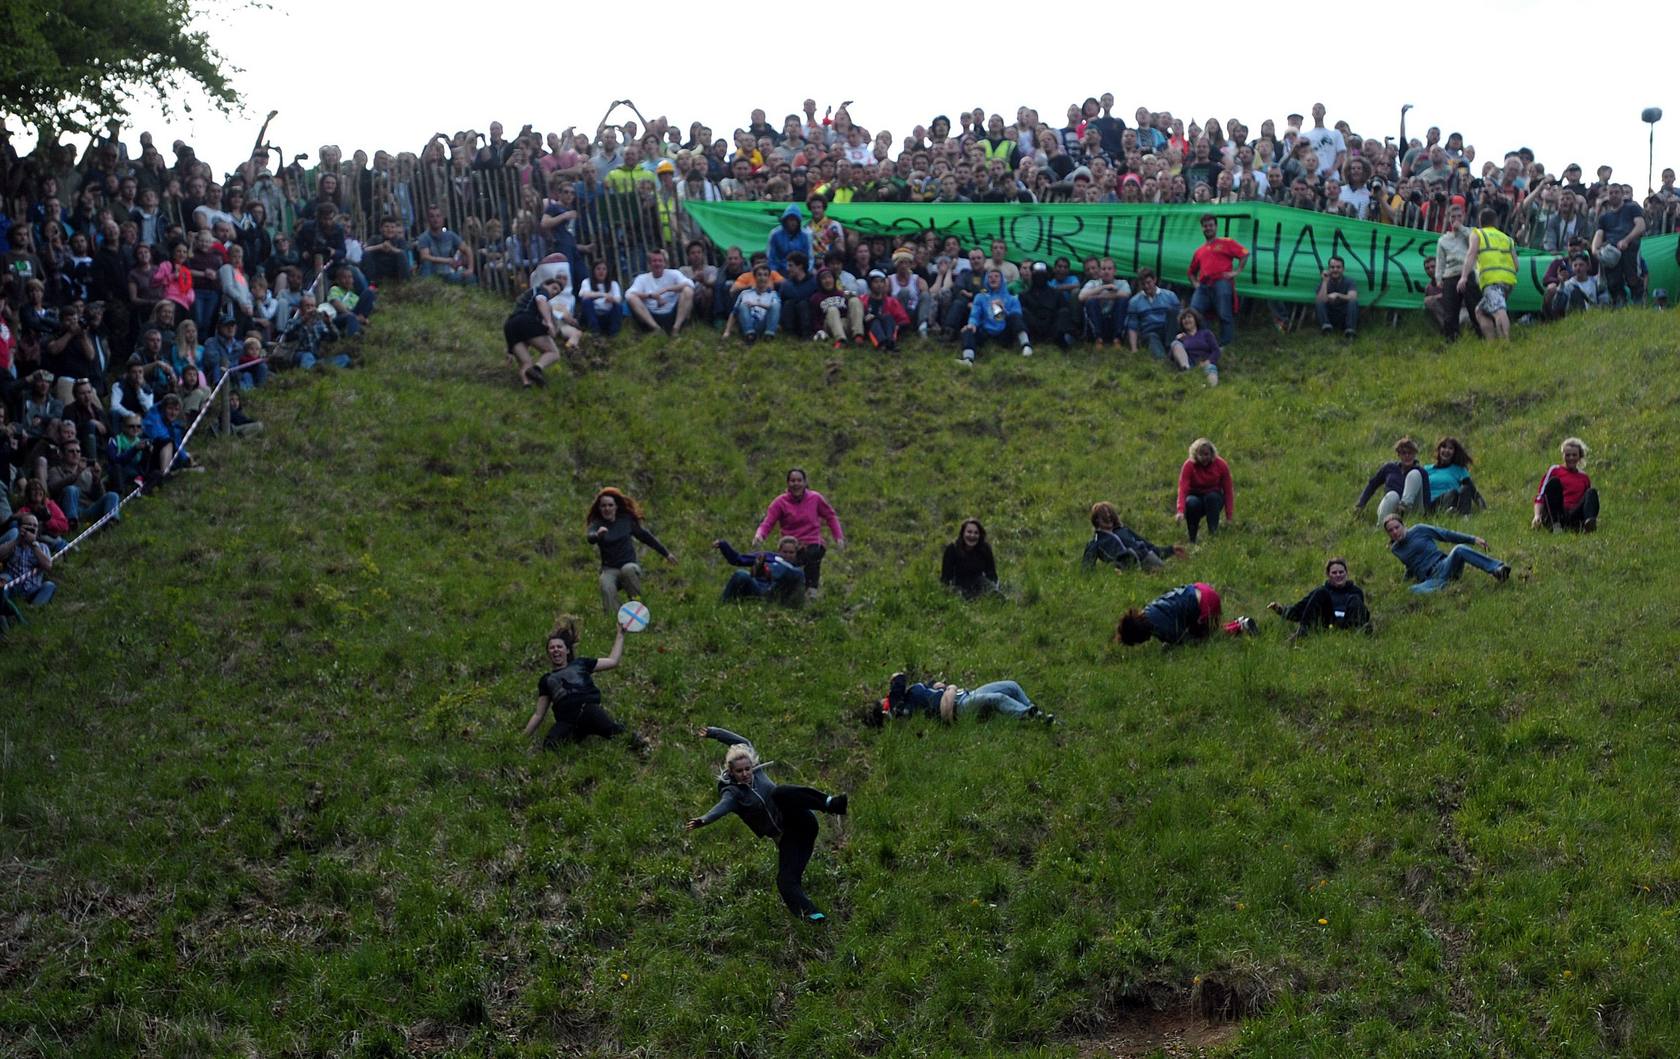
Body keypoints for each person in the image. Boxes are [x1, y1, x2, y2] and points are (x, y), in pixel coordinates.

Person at [684, 726, 849, 923]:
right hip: (786, 837)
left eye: (747, 769)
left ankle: (831, 803)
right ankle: (812, 915)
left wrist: (712, 732)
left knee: (780, 793)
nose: (745, 774)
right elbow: (721, 807)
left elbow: (740, 740)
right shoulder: (733, 794)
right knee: (785, 881)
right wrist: (704, 819)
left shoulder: (758, 772)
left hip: (800, 820)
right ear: (731, 771)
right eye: (739, 771)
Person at [522, 615, 648, 752]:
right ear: (548, 653)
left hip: (588, 710)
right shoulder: (546, 679)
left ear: (567, 650)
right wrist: (522, 739)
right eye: (552, 648)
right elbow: (539, 715)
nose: (556, 650)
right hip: (566, 721)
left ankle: (638, 743)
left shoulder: (580, 664)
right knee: (550, 744)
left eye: (559, 646)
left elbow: (613, 661)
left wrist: (620, 635)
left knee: (614, 732)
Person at [752, 468, 844, 597]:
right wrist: (760, 535)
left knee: (813, 553)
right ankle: (771, 588)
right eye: (792, 481)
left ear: (805, 482)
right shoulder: (780, 502)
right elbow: (768, 522)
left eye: (799, 480)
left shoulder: (815, 498)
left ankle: (811, 590)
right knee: (782, 567)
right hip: (790, 545)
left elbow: (830, 516)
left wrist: (838, 536)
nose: (796, 484)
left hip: (812, 542)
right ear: (788, 483)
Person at [586, 487, 675, 616]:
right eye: (603, 506)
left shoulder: (626, 521)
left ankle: (638, 609)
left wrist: (666, 553)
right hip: (609, 569)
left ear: (616, 507)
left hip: (628, 565)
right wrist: (597, 535)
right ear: (599, 508)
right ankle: (616, 619)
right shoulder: (597, 524)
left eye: (610, 505)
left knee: (628, 570)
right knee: (605, 583)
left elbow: (646, 537)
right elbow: (590, 537)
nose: (607, 509)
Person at [866, 672, 1054, 726]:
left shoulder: (911, 699)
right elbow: (898, 677)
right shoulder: (900, 707)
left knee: (1011, 685)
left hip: (965, 694)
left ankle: (1036, 712)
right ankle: (1029, 716)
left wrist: (944, 688)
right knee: (997, 698)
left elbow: (936, 690)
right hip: (959, 706)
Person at [1383, 514, 1511, 593]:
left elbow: (1445, 534)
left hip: (1444, 565)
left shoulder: (1419, 529)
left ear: (1403, 525)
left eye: (1397, 527)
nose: (1394, 532)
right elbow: (1410, 566)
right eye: (1390, 530)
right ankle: (1445, 586)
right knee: (1411, 591)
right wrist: (1403, 583)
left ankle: (1497, 569)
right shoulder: (1396, 550)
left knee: (1459, 549)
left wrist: (1473, 539)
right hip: (1430, 579)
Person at [1114, 582, 1255, 646]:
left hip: (1205, 603)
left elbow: (1183, 639)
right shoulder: (1148, 611)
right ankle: (1237, 622)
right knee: (1201, 629)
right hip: (1198, 588)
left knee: (1205, 639)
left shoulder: (1159, 626)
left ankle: (1241, 626)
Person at [1266, 557, 1372, 638]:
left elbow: (1360, 613)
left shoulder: (1356, 591)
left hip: (1347, 624)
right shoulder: (1322, 591)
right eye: (1334, 573)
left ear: (1346, 573)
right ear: (1328, 575)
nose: (1338, 575)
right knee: (1321, 593)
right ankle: (1302, 633)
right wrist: (1280, 610)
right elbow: (1300, 610)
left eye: (1341, 572)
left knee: (1355, 599)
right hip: (1328, 623)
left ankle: (1358, 633)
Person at [1187, 214, 1247, 345]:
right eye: (1205, 226)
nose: (1208, 228)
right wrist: (1195, 284)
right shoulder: (1199, 251)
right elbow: (1191, 272)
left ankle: (1225, 344)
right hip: (1203, 286)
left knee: (1224, 313)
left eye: (1211, 225)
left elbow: (1244, 253)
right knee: (1194, 313)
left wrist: (1236, 271)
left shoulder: (1227, 242)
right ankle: (1202, 341)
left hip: (1221, 282)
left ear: (1216, 227)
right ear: (1202, 228)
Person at [502, 274, 571, 388]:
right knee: (553, 353)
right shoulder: (540, 291)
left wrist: (510, 350)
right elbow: (541, 300)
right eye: (554, 288)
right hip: (525, 321)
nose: (554, 293)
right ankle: (537, 369)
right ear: (545, 284)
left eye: (557, 292)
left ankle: (527, 386)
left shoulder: (528, 301)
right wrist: (548, 322)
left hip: (510, 325)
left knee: (526, 362)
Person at [1461, 208, 1515, 339]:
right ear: (1496, 221)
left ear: (1480, 221)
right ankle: (1491, 344)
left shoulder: (1478, 234)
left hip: (1491, 280)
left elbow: (1471, 254)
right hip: (1509, 281)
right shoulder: (1507, 238)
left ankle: (1505, 343)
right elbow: (1517, 265)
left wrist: (1464, 277)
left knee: (1498, 310)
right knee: (1481, 311)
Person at [959, 268, 1031, 365]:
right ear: (986, 280)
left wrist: (1003, 310)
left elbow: (1017, 315)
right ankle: (968, 359)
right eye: (990, 277)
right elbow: (975, 315)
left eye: (996, 276)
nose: (993, 279)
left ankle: (1026, 346)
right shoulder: (980, 297)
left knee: (1015, 316)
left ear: (1002, 279)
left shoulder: (1012, 298)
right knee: (968, 329)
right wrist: (972, 324)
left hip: (1005, 332)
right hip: (986, 331)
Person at [1084, 501, 1181, 572]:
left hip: (1147, 558)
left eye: (1110, 514)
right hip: (1126, 569)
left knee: (1169, 573)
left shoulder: (1123, 530)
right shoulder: (1097, 542)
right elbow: (1087, 568)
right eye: (1105, 516)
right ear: (1096, 520)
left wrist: (1171, 550)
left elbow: (1149, 547)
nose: (1109, 517)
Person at [1531, 436, 1599, 532]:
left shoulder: (1584, 477)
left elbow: (1587, 502)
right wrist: (1537, 515)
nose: (1571, 458)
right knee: (1554, 482)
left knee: (1591, 492)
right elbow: (1541, 495)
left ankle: (1588, 525)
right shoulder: (1555, 470)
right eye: (1568, 455)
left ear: (1579, 456)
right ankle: (1556, 525)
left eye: (1574, 455)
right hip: (1557, 513)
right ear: (1563, 456)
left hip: (1574, 515)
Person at [1355, 436, 1430, 523]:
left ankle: (1404, 507)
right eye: (1404, 453)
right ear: (1398, 454)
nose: (1407, 456)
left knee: (1414, 473)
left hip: (1413, 510)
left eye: (1410, 453)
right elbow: (1372, 485)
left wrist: (1427, 518)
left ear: (1415, 454)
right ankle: (1381, 526)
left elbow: (1426, 497)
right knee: (1392, 495)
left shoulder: (1422, 472)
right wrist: (1360, 504)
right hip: (1393, 508)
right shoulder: (1389, 468)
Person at [714, 536, 806, 604]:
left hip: (771, 595)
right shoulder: (768, 556)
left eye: (791, 552)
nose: (788, 555)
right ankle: (723, 603)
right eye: (785, 552)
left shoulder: (796, 570)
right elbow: (738, 559)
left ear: (796, 554)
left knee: (788, 572)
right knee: (741, 574)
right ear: (778, 551)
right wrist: (723, 545)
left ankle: (767, 573)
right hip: (756, 588)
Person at [1175, 438, 1234, 543]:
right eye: (1200, 455)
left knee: (1212, 498)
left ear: (1212, 454)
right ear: (1195, 454)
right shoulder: (1189, 466)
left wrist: (1229, 516)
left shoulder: (1221, 465)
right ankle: (1192, 539)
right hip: (1195, 496)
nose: (1204, 458)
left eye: (1206, 454)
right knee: (1192, 503)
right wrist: (1180, 511)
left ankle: (1213, 534)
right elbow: (1183, 489)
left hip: (1214, 497)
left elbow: (1228, 491)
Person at [626, 249, 694, 337]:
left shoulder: (674, 274)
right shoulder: (642, 278)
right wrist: (650, 295)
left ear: (664, 263)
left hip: (673, 313)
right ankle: (656, 329)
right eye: (654, 261)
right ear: (649, 264)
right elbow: (628, 294)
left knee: (688, 290)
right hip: (651, 315)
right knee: (632, 298)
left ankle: (676, 328)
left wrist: (668, 288)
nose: (657, 264)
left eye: (660, 261)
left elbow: (690, 284)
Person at [0, 513, 55, 611]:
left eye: (35, 526)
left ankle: (32, 609)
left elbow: (48, 566)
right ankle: (5, 607)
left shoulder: (42, 547)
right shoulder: (13, 545)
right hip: (13, 587)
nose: (32, 528)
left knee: (49, 586)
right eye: (29, 525)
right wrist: (17, 540)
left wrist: (33, 545)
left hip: (33, 590)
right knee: (4, 578)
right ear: (20, 527)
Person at [1126, 268, 1181, 359]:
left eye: (1148, 282)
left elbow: (1179, 317)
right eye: (1143, 284)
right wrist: (1134, 348)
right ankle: (1163, 360)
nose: (1146, 286)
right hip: (1149, 331)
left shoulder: (1170, 296)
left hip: (1167, 330)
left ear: (1154, 280)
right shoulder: (1134, 301)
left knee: (1173, 312)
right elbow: (1133, 327)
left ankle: (1170, 348)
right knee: (1152, 337)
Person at [1423, 436, 1484, 516]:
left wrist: (1483, 508)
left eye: (1450, 448)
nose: (1446, 451)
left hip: (1454, 501)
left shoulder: (1459, 470)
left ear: (1454, 452)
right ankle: (1445, 513)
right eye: (1444, 447)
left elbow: (1473, 491)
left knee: (1464, 489)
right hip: (1433, 504)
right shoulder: (1426, 469)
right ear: (1439, 449)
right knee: (1452, 493)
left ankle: (1464, 516)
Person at [1078, 257, 1130, 347]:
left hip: (1115, 320)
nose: (1106, 271)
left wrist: (1101, 296)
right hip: (1098, 321)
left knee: (1123, 301)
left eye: (1109, 269)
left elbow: (1126, 295)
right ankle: (1098, 339)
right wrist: (1104, 287)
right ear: (1099, 271)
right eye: (1103, 269)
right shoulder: (1093, 283)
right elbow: (1081, 297)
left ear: (1115, 271)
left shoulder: (1122, 283)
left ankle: (1117, 339)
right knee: (1091, 301)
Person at [940, 518, 998, 597]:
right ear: (963, 533)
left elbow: (991, 574)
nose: (972, 536)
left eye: (976, 533)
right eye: (969, 532)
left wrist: (994, 587)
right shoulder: (953, 549)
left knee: (991, 591)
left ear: (980, 535)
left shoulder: (985, 549)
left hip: (979, 583)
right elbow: (945, 578)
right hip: (959, 584)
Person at [726, 263, 781, 343]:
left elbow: (775, 310)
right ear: (755, 277)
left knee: (776, 305)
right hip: (748, 321)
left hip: (764, 323)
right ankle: (749, 335)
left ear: (768, 278)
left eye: (765, 275)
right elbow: (734, 313)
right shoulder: (745, 293)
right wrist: (727, 331)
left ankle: (769, 335)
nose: (762, 278)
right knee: (743, 306)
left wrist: (756, 304)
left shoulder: (773, 294)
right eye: (759, 275)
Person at [1168, 308, 1220, 386]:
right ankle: (1187, 370)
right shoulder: (1181, 337)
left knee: (1211, 368)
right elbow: (1171, 357)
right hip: (1189, 364)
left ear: (1195, 319)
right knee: (1175, 343)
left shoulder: (1206, 333)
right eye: (1184, 318)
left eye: (1189, 317)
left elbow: (1216, 351)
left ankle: (1211, 390)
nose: (1186, 320)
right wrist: (1177, 340)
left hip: (1204, 363)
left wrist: (1208, 361)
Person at [860, 269, 910, 351]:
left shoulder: (891, 301)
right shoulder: (863, 300)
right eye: (876, 282)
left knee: (888, 317)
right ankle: (881, 344)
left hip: (888, 327)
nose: (879, 285)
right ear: (870, 284)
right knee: (874, 321)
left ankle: (890, 342)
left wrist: (898, 326)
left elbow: (904, 319)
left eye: (881, 282)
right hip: (870, 328)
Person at [576, 260, 624, 337]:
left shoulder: (613, 284)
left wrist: (612, 299)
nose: (601, 271)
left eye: (604, 269)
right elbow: (584, 295)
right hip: (592, 316)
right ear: (593, 271)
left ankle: (613, 334)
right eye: (598, 269)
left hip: (607, 316)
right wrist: (603, 295)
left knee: (618, 306)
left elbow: (618, 299)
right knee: (586, 302)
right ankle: (595, 331)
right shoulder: (586, 282)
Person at [1314, 256, 1359, 337]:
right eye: (1332, 267)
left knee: (1353, 302)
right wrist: (1324, 282)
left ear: (1343, 269)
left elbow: (1353, 297)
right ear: (1329, 269)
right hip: (1330, 314)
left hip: (1344, 315)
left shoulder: (1349, 281)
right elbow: (1320, 300)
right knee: (1319, 301)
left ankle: (1350, 331)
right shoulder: (1324, 281)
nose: (1335, 270)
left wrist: (1338, 295)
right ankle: (1326, 328)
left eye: (1338, 267)